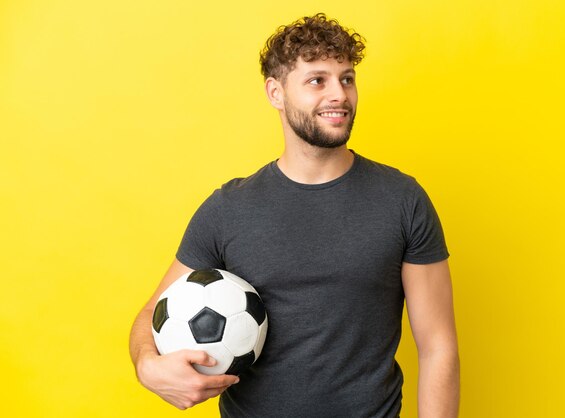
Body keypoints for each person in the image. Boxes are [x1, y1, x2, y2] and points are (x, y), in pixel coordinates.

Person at [129, 13, 460, 418]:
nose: (339, 94)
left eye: (347, 78)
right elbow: (151, 315)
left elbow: (438, 346)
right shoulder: (228, 209)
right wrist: (148, 366)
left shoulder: (402, 200)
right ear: (276, 92)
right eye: (317, 80)